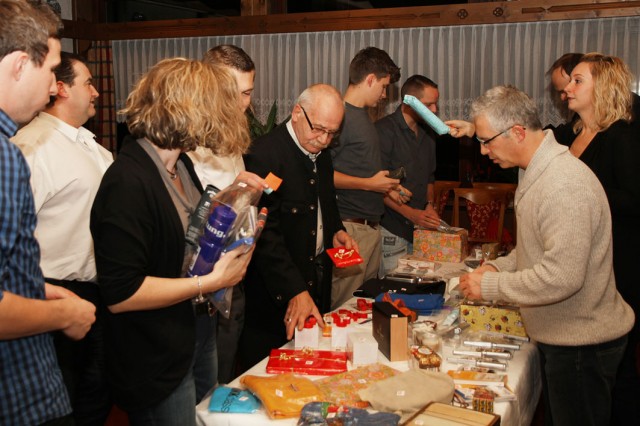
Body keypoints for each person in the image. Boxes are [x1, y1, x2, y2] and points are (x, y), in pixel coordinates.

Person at [90, 58, 261, 426]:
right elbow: (120, 295)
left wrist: (235, 209)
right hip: (155, 349)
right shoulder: (128, 180)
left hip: (195, 332)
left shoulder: (179, 166)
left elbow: (189, 234)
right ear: (186, 109)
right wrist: (212, 282)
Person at [457, 85, 634, 426]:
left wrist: (491, 287)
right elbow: (537, 248)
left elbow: (560, 277)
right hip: (567, 337)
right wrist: (498, 265)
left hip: (583, 344)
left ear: (518, 132)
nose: (482, 151)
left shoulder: (562, 184)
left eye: (486, 140)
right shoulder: (535, 171)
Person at [0, 1, 96, 425]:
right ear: (21, 65)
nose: (54, 86)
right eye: (51, 70)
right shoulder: (7, 156)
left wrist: (36, 287)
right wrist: (64, 314)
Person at [11, 51, 113, 425]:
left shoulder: (93, 146)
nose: (97, 92)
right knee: (61, 401)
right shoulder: (30, 147)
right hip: (50, 290)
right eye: (88, 82)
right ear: (62, 88)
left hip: (98, 288)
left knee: (98, 393)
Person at [239, 84, 357, 369]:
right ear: (296, 113)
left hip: (315, 278)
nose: (324, 140)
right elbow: (265, 233)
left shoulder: (320, 150)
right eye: (318, 129)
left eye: (332, 133)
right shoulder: (265, 154)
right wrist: (294, 290)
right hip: (275, 291)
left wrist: (337, 230)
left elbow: (326, 201)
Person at [557, 52, 640, 425]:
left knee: (616, 371)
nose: (567, 89)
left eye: (577, 81)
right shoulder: (575, 133)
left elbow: (635, 200)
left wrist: (585, 190)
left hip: (620, 265)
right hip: (586, 264)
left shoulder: (621, 135)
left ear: (602, 87)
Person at [187, 44, 257, 385]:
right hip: (196, 282)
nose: (244, 104)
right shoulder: (185, 135)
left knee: (222, 377)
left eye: (248, 93)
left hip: (231, 276)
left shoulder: (230, 130)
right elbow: (187, 216)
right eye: (237, 93)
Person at [330, 46, 402, 310]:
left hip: (370, 228)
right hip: (348, 229)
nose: (384, 95)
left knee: (362, 304)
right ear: (370, 79)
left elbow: (359, 168)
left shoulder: (364, 117)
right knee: (341, 303)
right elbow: (322, 175)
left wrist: (385, 189)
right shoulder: (340, 116)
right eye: (383, 87)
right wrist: (370, 184)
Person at [376, 75, 442, 275]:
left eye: (435, 104)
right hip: (393, 230)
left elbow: (429, 178)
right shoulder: (383, 131)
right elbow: (378, 186)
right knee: (393, 294)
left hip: (420, 232)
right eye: (428, 104)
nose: (434, 110)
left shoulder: (428, 134)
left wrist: (430, 205)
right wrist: (411, 214)